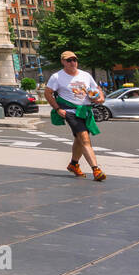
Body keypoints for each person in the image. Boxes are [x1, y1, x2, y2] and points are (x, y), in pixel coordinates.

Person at [44, 51, 106, 181]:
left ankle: (73, 164)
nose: (72, 62)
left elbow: (96, 89)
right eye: (69, 60)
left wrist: (100, 98)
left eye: (74, 60)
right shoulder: (57, 77)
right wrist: (58, 109)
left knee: (79, 139)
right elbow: (48, 93)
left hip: (85, 111)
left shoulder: (85, 75)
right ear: (63, 62)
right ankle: (96, 170)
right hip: (70, 111)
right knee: (84, 138)